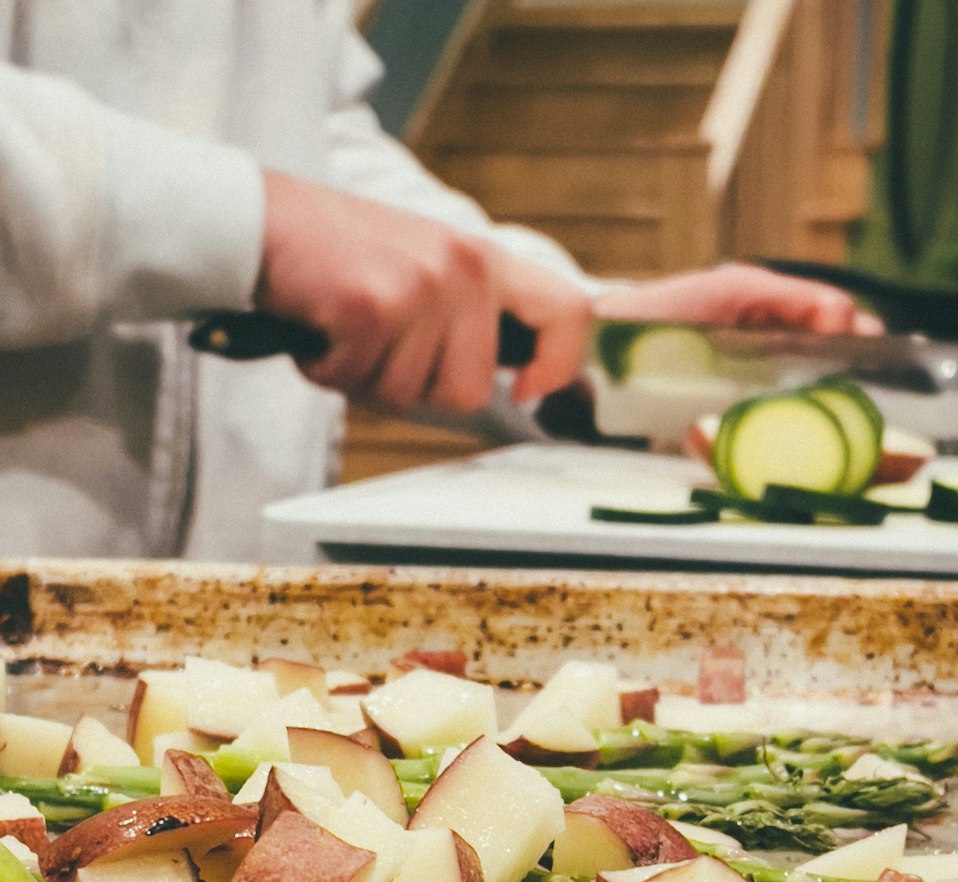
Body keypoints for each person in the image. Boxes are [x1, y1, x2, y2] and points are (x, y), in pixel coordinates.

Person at [0, 3, 876, 561]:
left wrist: (578, 327)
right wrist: (250, 221)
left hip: (215, 622)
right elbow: (272, 199)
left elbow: (307, 136)